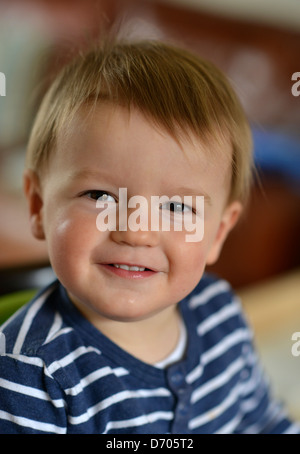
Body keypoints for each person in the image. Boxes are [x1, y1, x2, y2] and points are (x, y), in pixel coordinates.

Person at [0, 38, 298, 434]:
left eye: (177, 207)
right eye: (100, 195)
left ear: (218, 233)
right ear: (38, 206)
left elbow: (263, 422)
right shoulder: (30, 375)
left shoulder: (220, 315)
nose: (137, 231)